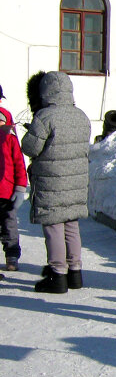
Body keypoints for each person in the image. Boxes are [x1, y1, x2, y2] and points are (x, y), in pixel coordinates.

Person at [20, 71, 92, 293]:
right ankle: (75, 272)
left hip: (52, 181)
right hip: (76, 182)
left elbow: (30, 148)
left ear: (44, 91)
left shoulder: (45, 117)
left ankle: (57, 274)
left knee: (53, 225)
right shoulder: (81, 116)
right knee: (71, 224)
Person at [0, 107, 29, 272]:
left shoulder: (10, 139)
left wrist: (19, 187)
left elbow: (19, 164)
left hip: (6, 191)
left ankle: (11, 256)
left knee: (9, 224)